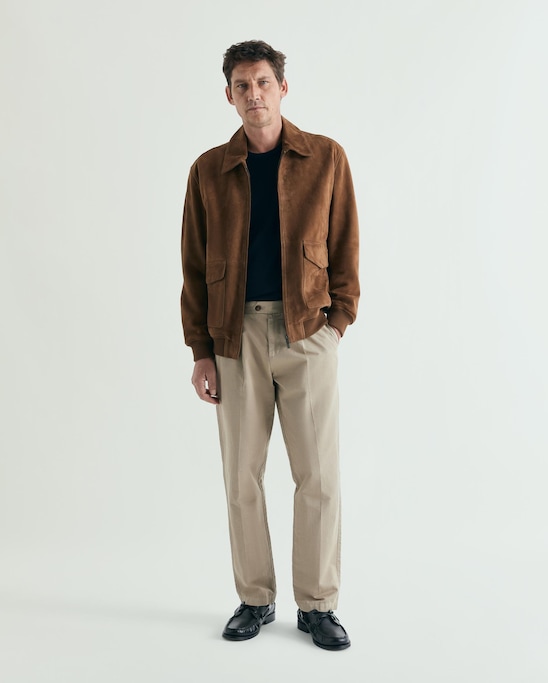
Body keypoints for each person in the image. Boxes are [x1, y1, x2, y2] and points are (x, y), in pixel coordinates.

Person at [180, 40, 360, 651]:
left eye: (262, 82)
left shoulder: (325, 157)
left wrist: (337, 323)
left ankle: (318, 605)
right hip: (234, 339)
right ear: (229, 95)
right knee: (241, 477)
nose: (252, 94)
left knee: (319, 477)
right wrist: (200, 350)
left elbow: (346, 246)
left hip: (308, 332)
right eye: (241, 85)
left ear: (282, 87)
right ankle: (255, 598)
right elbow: (193, 265)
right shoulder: (208, 170)